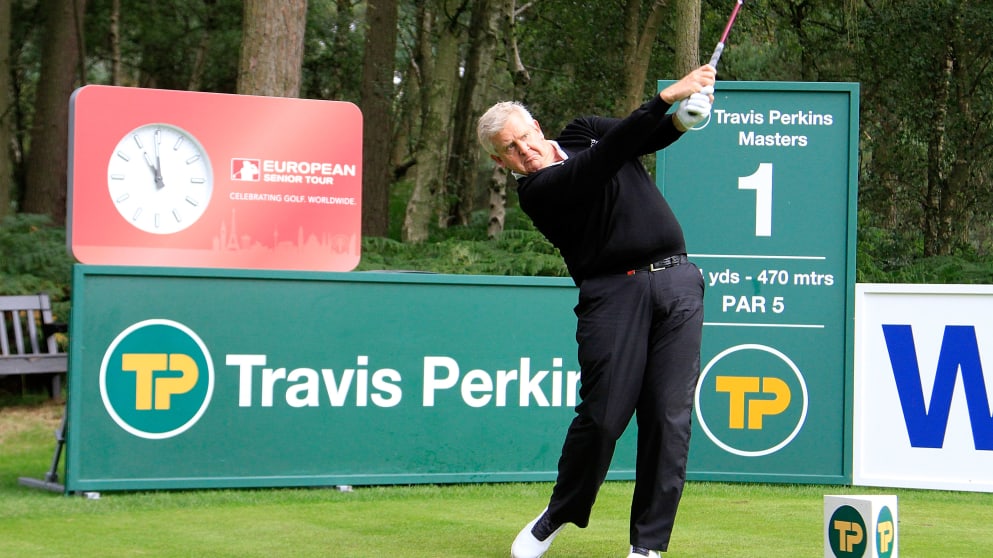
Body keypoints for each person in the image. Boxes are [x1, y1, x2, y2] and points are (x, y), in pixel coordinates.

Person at [476, 64, 716, 558]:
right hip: (612, 295)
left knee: (668, 419)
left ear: (537, 128)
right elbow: (607, 159)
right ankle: (559, 513)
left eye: (525, 138)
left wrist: (680, 120)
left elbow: (640, 140)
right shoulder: (538, 192)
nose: (525, 151)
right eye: (511, 151)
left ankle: (647, 546)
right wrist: (667, 96)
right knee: (604, 417)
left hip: (676, 282)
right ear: (503, 164)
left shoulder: (582, 130)